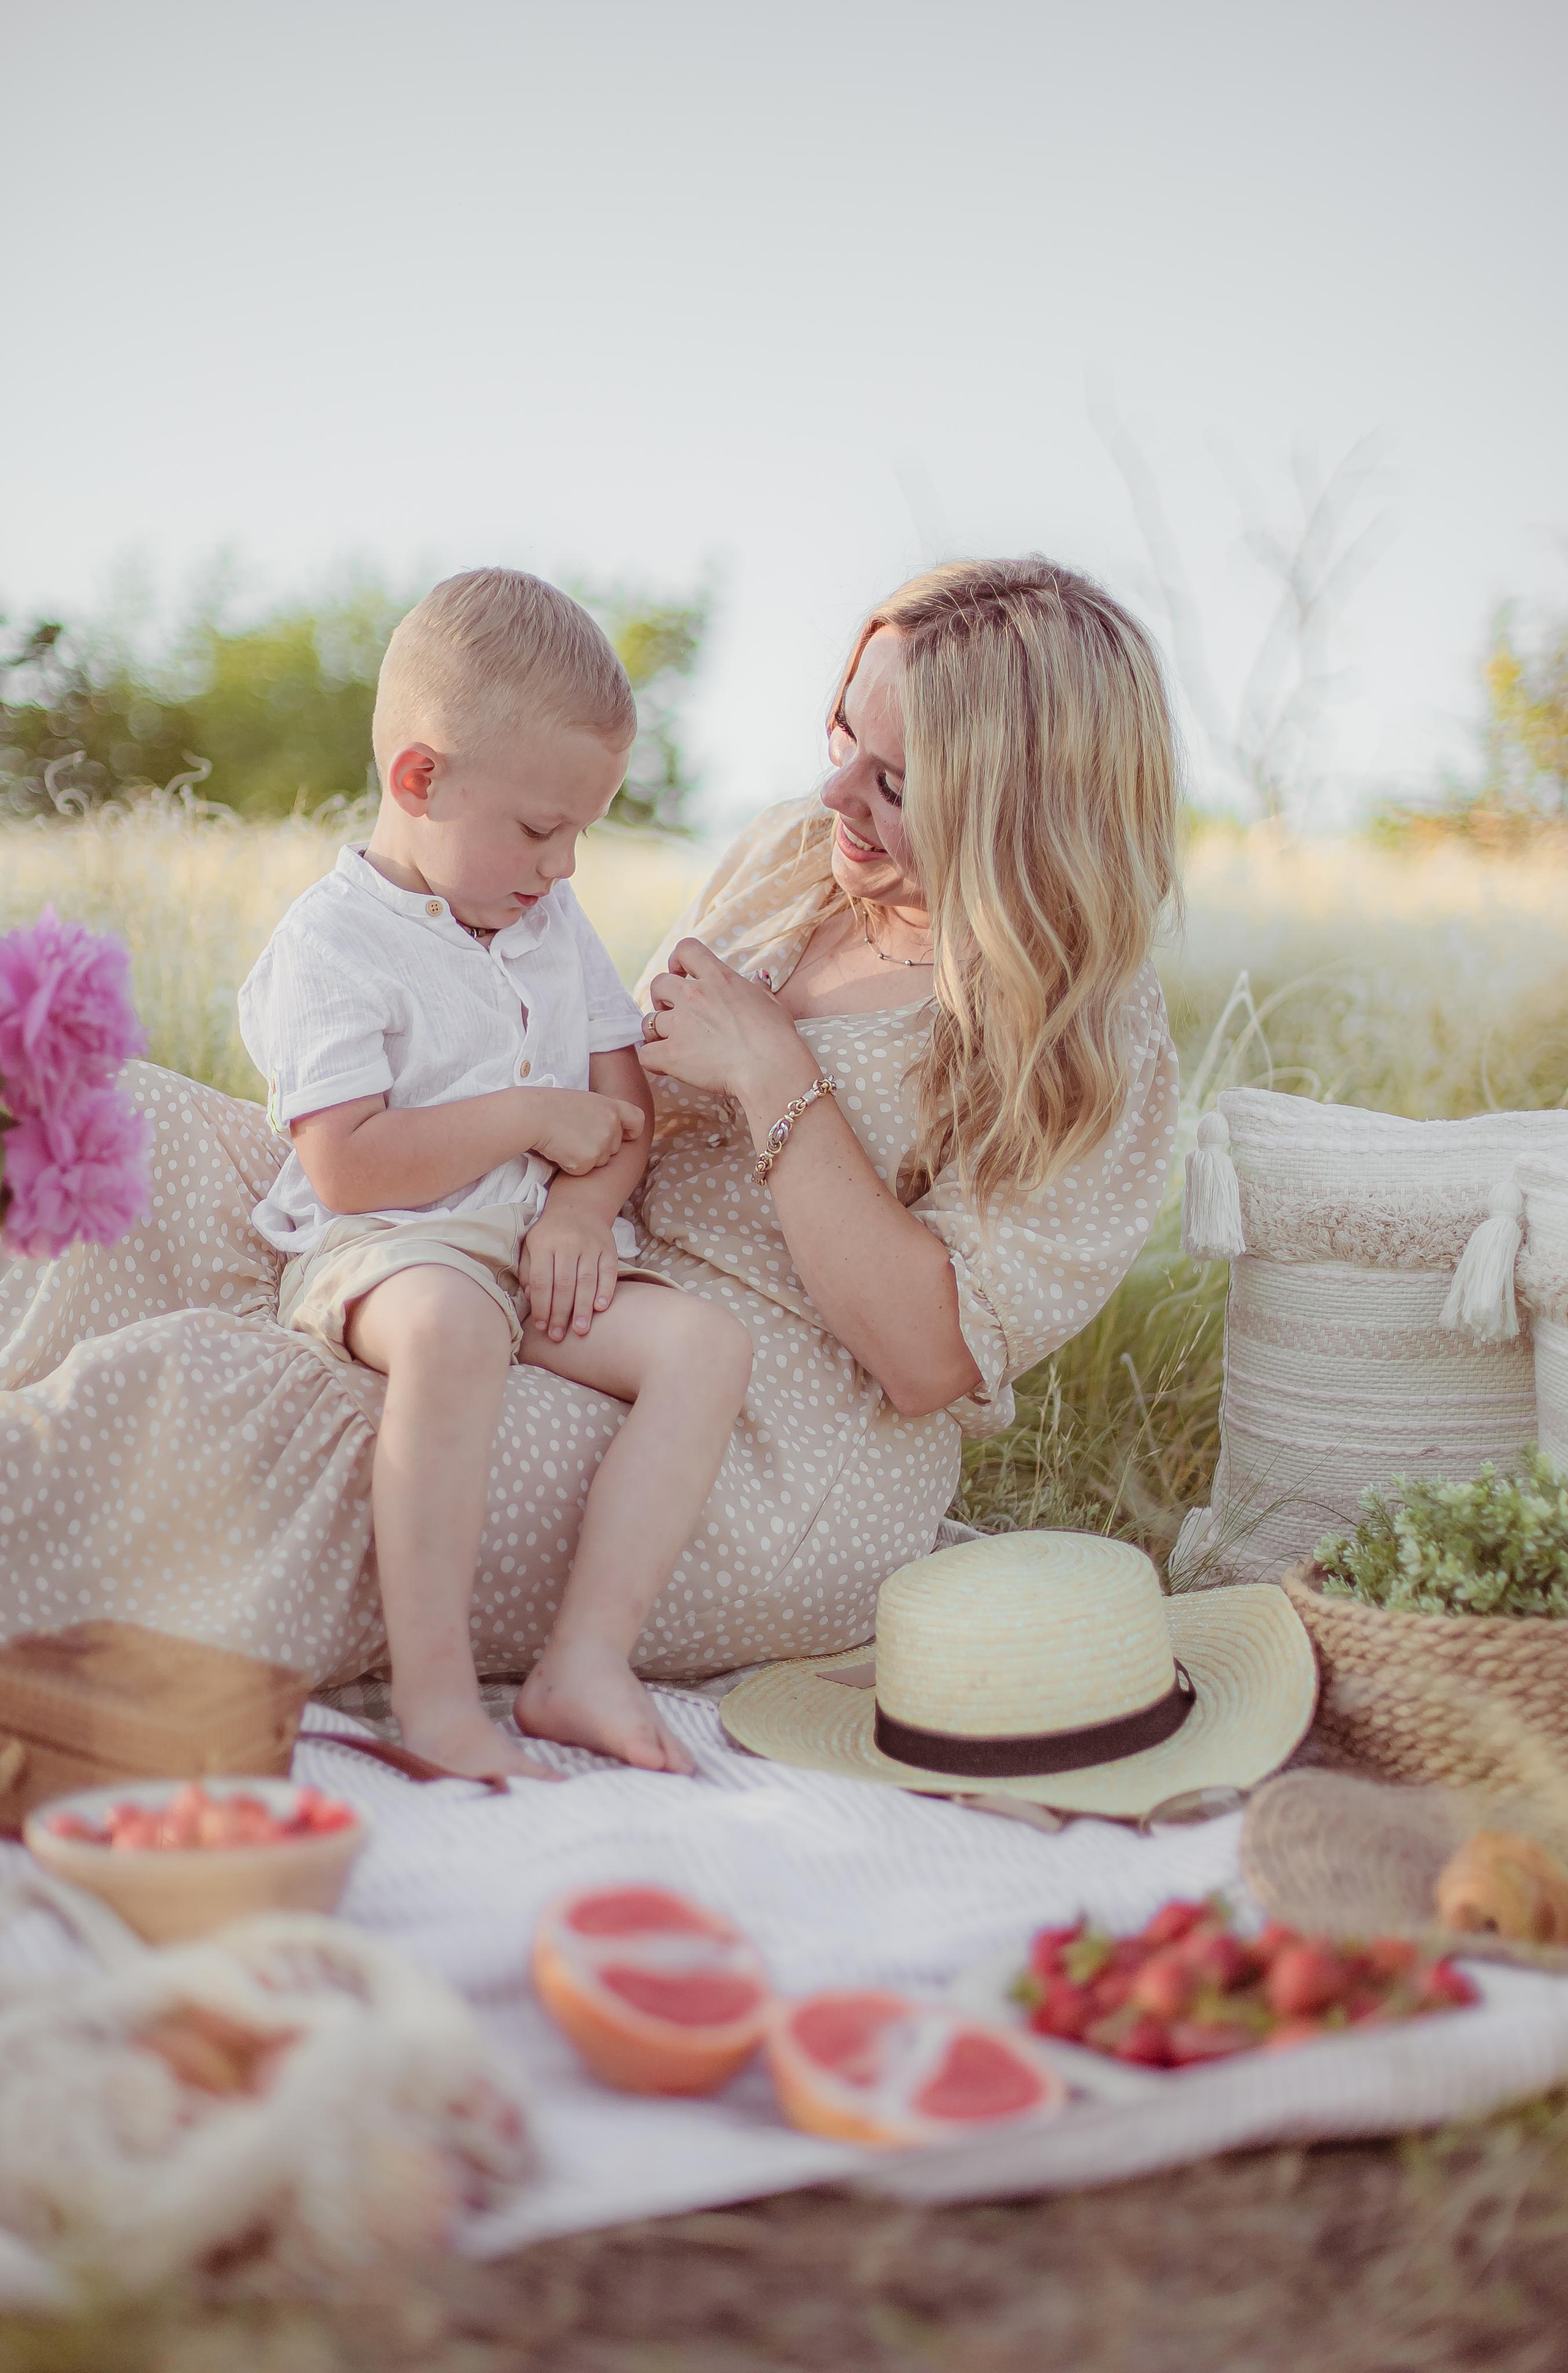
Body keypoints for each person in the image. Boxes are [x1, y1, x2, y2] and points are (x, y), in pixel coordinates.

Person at [0, 556, 1180, 1716]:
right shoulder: (796, 859)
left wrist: (776, 1073)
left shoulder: (1080, 1030)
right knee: (119, 1123)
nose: (835, 795)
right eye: (841, 736)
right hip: (552, 1239)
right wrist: (543, 1192)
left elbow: (929, 1360)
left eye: (896, 784)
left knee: (266, 1401)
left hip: (744, 1420)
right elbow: (584, 1065)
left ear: (1014, 817)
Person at [237, 570, 753, 1779]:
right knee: (454, 1329)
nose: (564, 864)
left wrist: (579, 1210)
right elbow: (347, 1165)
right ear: (420, 779)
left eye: (582, 832)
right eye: (537, 828)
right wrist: (525, 1113)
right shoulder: (332, 942)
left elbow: (620, 1108)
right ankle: (434, 1698)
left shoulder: (551, 927)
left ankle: (585, 1660)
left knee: (705, 1347)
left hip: (529, 1243)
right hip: (392, 1246)